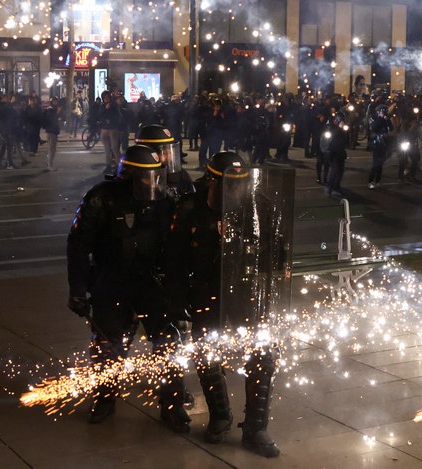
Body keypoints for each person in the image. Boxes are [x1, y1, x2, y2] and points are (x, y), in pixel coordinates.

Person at [166, 151, 281, 458]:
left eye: (239, 185)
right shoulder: (191, 209)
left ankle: (256, 427)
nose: (234, 192)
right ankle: (220, 415)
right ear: (212, 183)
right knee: (207, 354)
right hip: (205, 292)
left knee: (263, 356)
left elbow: (275, 253)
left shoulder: (261, 207)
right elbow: (175, 262)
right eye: (228, 185)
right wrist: (178, 301)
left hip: (247, 293)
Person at [66, 144, 176, 424]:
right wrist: (78, 291)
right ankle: (105, 398)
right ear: (128, 176)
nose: (152, 183)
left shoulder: (163, 200)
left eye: (155, 176)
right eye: (145, 178)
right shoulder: (100, 200)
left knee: (166, 342)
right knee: (108, 345)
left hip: (150, 282)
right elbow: (78, 246)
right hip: (111, 280)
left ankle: (172, 404)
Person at [135, 124, 195, 200]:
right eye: (165, 153)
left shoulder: (180, 175)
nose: (169, 157)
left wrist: (161, 189)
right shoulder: (132, 175)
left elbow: (190, 200)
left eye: (170, 152)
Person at [368, 104, 394, 189]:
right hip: (377, 144)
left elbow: (391, 128)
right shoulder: (375, 119)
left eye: (385, 111)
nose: (384, 113)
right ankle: (371, 181)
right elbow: (373, 129)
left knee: (380, 164)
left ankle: (378, 181)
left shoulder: (385, 119)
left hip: (384, 144)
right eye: (383, 111)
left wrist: (387, 120)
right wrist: (381, 119)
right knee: (376, 164)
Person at [98, 90, 121, 173]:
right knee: (107, 150)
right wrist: (105, 109)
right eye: (104, 98)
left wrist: (111, 120)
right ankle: (108, 165)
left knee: (115, 148)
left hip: (112, 129)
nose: (106, 99)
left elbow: (118, 117)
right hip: (104, 129)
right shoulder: (102, 106)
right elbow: (99, 116)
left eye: (107, 97)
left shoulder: (114, 106)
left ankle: (119, 166)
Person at [43, 97, 63, 171]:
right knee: (53, 149)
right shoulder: (51, 110)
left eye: (56, 101)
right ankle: (50, 165)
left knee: (51, 148)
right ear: (52, 102)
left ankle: (48, 160)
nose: (56, 102)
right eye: (55, 101)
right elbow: (53, 119)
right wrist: (58, 113)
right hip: (52, 131)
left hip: (50, 130)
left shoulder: (51, 109)